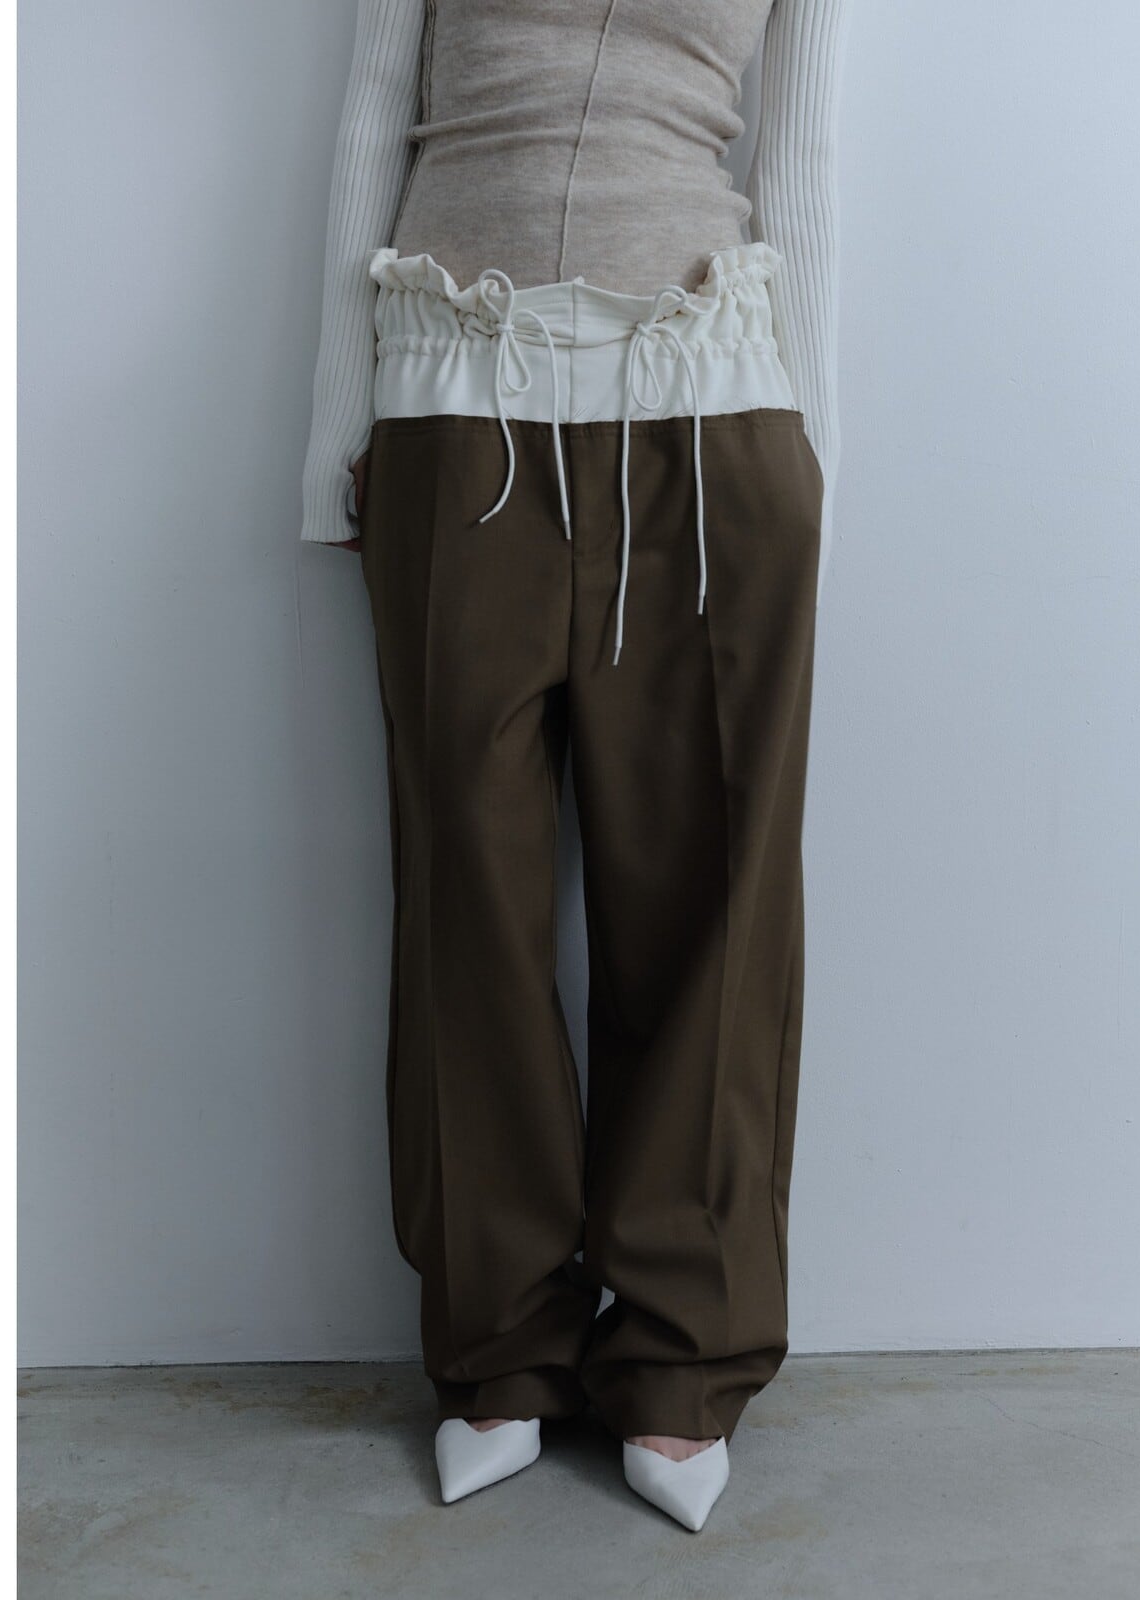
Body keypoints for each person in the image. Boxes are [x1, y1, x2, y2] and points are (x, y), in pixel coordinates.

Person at [300, 0, 845, 1533]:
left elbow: (798, 157)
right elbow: (372, 120)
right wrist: (333, 443)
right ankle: (497, 1349)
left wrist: (812, 457)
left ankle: (681, 1357)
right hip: (453, 402)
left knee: (709, 905)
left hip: (711, 414)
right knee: (464, 897)